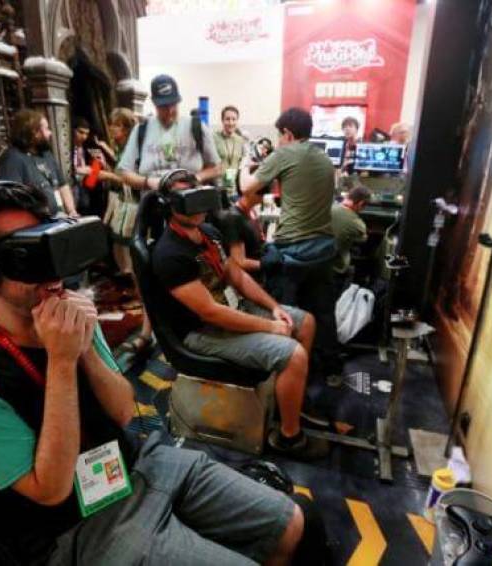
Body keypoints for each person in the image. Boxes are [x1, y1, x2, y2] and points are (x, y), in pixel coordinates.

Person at [0, 182, 313, 565]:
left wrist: (83, 345)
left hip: (132, 464)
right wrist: (61, 360)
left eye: (47, 242)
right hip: (71, 527)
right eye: (26, 254)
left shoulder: (69, 316)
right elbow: (50, 490)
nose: (50, 269)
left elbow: (124, 412)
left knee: (290, 525)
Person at [152, 170, 328, 460]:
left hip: (232, 310)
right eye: (185, 199)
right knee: (293, 354)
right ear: (169, 205)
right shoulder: (169, 254)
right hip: (202, 332)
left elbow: (237, 277)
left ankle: (293, 403)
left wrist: (274, 308)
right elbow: (211, 313)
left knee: (305, 322)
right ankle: (288, 438)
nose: (195, 207)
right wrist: (270, 328)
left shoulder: (209, 233)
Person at [116, 74, 222, 354]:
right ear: (154, 103)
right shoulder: (142, 130)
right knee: (148, 268)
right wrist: (151, 183)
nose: (170, 111)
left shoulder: (196, 127)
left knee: (197, 264)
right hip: (154, 208)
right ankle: (150, 330)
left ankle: (203, 321)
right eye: (163, 106)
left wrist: (190, 181)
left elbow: (216, 167)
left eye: (173, 103)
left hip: (191, 210)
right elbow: (124, 172)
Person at [239, 107, 341, 384]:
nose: (279, 140)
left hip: (294, 251)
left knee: (284, 311)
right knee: (322, 311)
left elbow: (248, 187)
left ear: (287, 133)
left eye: (279, 135)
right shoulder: (324, 157)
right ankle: (329, 371)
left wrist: (243, 165)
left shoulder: (285, 152)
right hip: (323, 249)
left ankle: (284, 374)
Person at [0, 109, 77, 217]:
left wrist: (72, 211)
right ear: (35, 132)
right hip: (37, 225)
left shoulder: (46, 154)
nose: (50, 133)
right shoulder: (12, 159)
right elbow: (13, 199)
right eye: (47, 129)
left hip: (59, 219)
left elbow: (62, 185)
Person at [102, 107, 138, 276]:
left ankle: (131, 276)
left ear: (125, 128)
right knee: (118, 240)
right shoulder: (121, 147)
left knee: (126, 242)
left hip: (134, 202)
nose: (111, 128)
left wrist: (107, 174)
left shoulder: (133, 149)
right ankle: (126, 273)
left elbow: (131, 178)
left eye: (115, 125)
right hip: (123, 200)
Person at [331, 186, 370, 297]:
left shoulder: (328, 207)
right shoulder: (357, 223)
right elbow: (363, 239)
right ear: (361, 204)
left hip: (315, 263)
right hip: (335, 268)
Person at [214, 105, 247, 195]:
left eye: (234, 119)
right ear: (222, 120)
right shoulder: (214, 138)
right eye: (227, 119)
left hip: (234, 190)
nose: (231, 122)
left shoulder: (240, 140)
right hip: (217, 189)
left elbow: (244, 160)